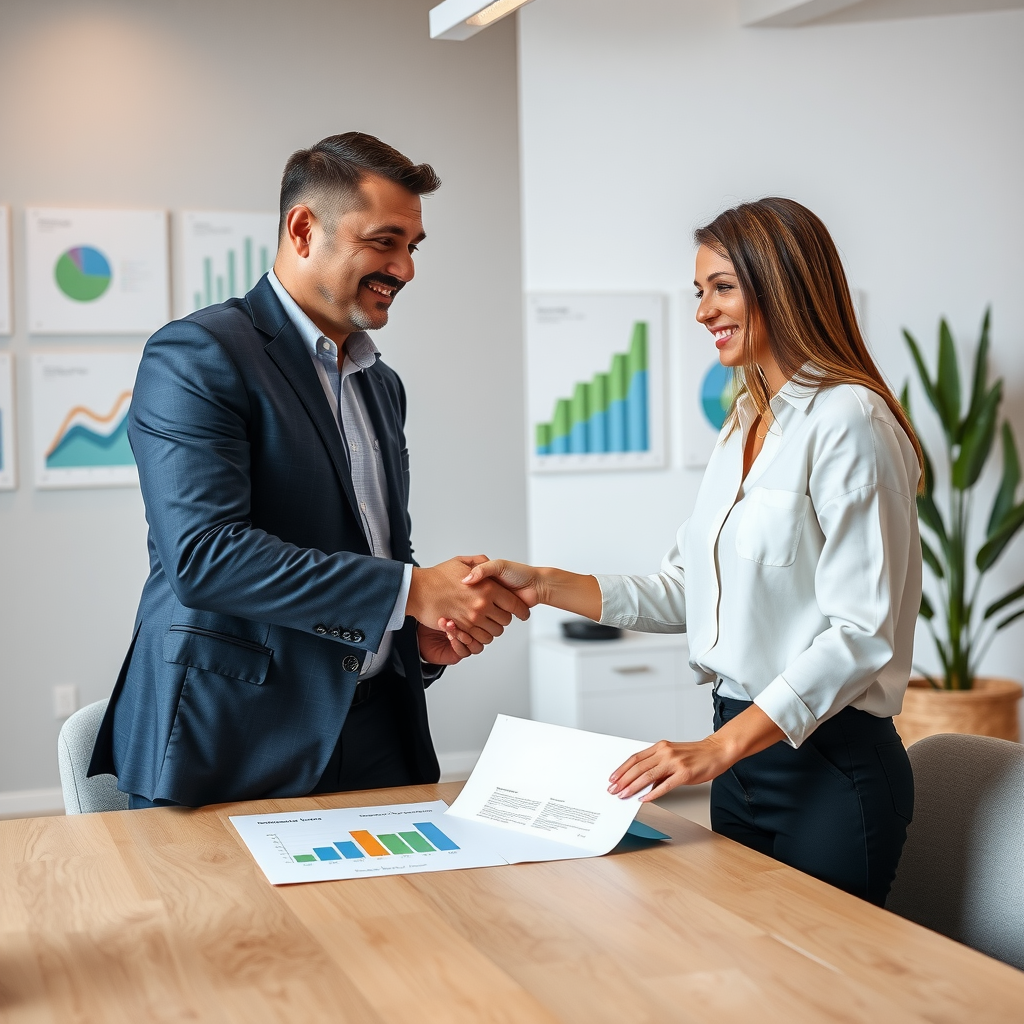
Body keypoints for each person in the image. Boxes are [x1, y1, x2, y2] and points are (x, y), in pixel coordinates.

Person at [461, 198, 921, 906]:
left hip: (828, 766)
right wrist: (545, 582)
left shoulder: (849, 420)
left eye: (722, 288)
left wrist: (717, 749)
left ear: (785, 284)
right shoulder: (743, 425)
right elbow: (685, 592)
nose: (703, 311)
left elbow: (861, 634)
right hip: (738, 762)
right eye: (699, 292)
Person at [89, 133, 528, 808]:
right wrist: (411, 591)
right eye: (385, 242)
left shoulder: (382, 385)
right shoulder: (199, 355)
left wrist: (415, 636)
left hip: (379, 731)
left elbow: (379, 552)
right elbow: (206, 557)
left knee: (398, 917)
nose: (405, 268)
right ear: (302, 230)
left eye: (413, 247)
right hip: (235, 737)